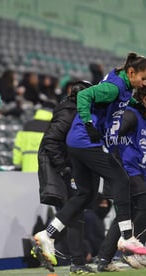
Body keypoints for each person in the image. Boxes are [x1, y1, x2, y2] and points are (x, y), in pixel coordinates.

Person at [32, 52, 146, 272]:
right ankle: (127, 236)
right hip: (86, 141)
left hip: (77, 143)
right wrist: (88, 124)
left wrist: (137, 101)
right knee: (120, 178)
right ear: (131, 72)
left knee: (85, 194)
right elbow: (84, 96)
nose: (145, 83)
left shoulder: (122, 83)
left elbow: (121, 94)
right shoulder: (115, 87)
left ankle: (46, 234)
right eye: (144, 78)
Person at [96, 86, 146, 271]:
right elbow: (112, 138)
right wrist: (115, 166)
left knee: (124, 217)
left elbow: (140, 150)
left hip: (133, 171)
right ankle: (128, 246)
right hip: (126, 171)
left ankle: (105, 259)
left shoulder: (143, 118)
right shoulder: (131, 114)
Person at [36, 80, 96, 274]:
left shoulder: (71, 110)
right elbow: (51, 141)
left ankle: (48, 243)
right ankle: (74, 261)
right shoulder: (68, 113)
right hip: (62, 170)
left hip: (68, 167)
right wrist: (64, 167)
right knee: (74, 214)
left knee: (74, 215)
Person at [13, 107, 54, 172]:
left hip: (27, 170)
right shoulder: (53, 128)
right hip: (46, 172)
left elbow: (17, 148)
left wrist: (17, 165)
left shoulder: (26, 126)